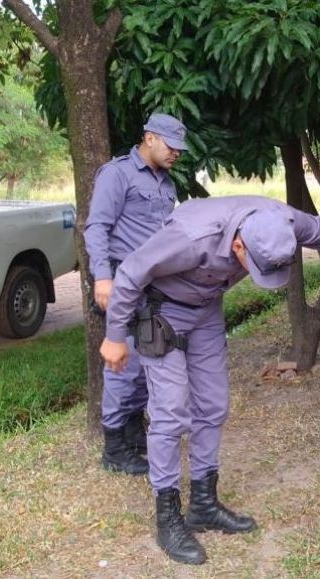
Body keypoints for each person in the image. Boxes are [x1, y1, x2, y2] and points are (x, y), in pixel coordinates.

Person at [100, 195, 320, 564]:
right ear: (238, 246)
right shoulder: (191, 237)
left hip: (206, 309)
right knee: (171, 413)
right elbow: (130, 273)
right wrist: (115, 336)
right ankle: (167, 517)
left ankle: (203, 504)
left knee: (213, 405)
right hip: (163, 310)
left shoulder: (282, 221)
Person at [84, 112, 188, 476]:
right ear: (149, 138)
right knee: (123, 367)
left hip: (154, 288)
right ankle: (114, 448)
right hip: (122, 284)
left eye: (180, 148)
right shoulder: (118, 174)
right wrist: (102, 278)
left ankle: (132, 433)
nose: (176, 153)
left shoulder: (166, 182)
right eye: (171, 146)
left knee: (148, 362)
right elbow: (96, 227)